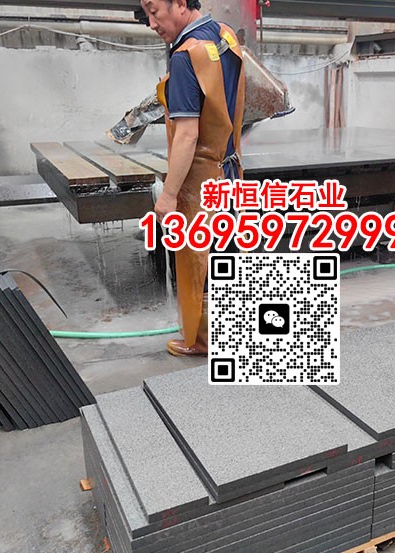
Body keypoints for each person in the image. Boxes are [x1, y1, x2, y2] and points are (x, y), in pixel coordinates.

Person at [141, 0, 245, 357]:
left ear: (181, 3)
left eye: (154, 10)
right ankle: (231, 334)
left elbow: (187, 134)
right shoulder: (225, 36)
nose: (151, 22)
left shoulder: (185, 56)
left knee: (199, 261)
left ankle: (202, 341)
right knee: (226, 253)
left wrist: (168, 195)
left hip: (201, 179)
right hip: (228, 171)